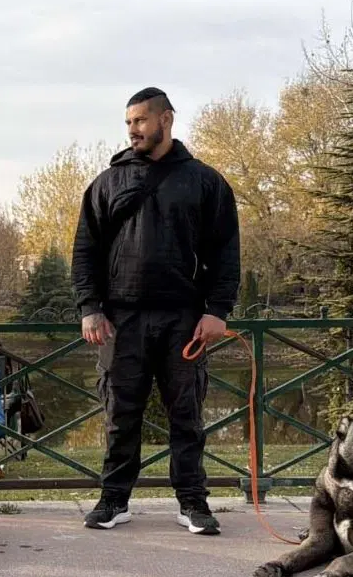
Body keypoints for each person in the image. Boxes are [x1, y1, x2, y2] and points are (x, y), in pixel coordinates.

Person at [70, 87, 240, 535]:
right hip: (120, 319)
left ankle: (192, 503)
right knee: (120, 415)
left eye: (141, 120)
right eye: (128, 122)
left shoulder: (204, 182)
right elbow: (85, 251)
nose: (133, 130)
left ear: (166, 119)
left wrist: (218, 311)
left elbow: (225, 253)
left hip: (184, 318)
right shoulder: (107, 183)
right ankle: (113, 500)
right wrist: (90, 308)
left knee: (187, 415)